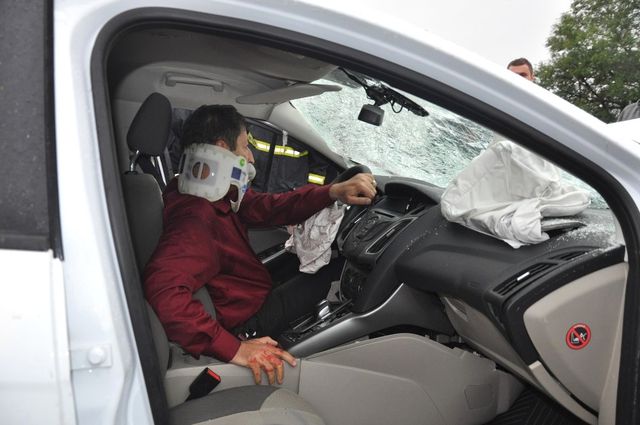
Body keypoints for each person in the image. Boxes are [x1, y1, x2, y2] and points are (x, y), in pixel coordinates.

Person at [144, 104, 376, 386]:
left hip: (247, 295)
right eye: (245, 146)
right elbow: (162, 289)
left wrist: (331, 192)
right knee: (338, 270)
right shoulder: (197, 218)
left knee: (314, 266)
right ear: (222, 148)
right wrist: (235, 348)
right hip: (247, 321)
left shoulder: (203, 195)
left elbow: (270, 207)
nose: (251, 157)